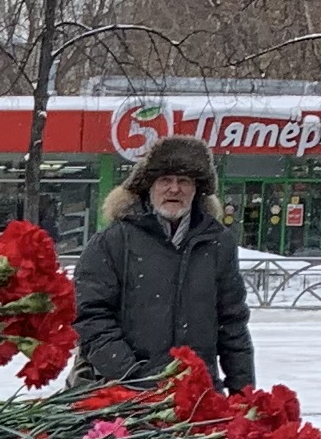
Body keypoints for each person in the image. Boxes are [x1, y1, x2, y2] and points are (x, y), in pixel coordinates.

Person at [74, 133, 257, 392]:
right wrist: (133, 378)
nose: (174, 189)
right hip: (125, 399)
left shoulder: (218, 243)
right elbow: (91, 318)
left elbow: (233, 325)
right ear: (148, 186)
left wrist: (244, 396)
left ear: (197, 189)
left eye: (184, 180)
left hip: (198, 399)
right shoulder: (113, 241)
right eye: (165, 180)